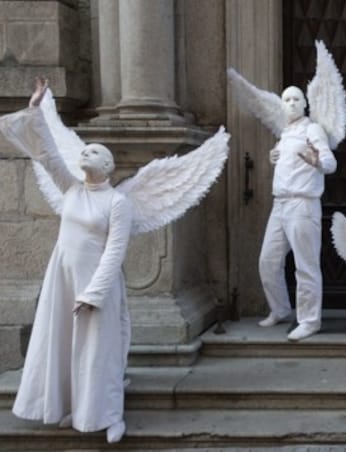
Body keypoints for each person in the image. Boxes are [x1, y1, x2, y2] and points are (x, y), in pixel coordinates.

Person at [1, 77, 229, 444]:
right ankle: (73, 406)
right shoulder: (71, 188)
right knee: (64, 344)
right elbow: (46, 154)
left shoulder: (118, 202)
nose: (85, 154)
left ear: (108, 167)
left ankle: (110, 415)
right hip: (63, 278)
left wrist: (94, 293)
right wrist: (36, 110)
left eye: (93, 152)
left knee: (98, 350)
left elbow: (114, 252)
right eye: (84, 151)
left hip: (96, 281)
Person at [255, 86, 337, 341]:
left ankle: (310, 320)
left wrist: (318, 163)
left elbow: (331, 163)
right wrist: (273, 156)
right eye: (286, 99)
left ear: (305, 104)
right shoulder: (286, 132)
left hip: (303, 204)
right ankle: (280, 308)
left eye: (296, 99)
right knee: (268, 261)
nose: (291, 103)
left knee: (306, 266)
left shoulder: (312, 129)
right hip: (279, 204)